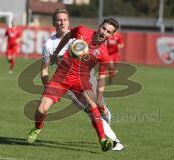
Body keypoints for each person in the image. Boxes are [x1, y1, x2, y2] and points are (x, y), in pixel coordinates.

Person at [27, 16, 120, 152]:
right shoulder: (82, 30)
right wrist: (57, 52)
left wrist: (99, 98)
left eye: (108, 31)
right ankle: (37, 128)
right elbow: (67, 36)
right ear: (99, 26)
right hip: (61, 77)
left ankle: (103, 140)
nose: (104, 32)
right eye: (103, 28)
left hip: (81, 81)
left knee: (93, 106)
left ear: (112, 35)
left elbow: (101, 78)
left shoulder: (104, 53)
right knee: (42, 109)